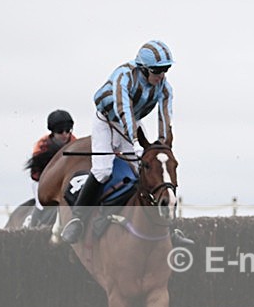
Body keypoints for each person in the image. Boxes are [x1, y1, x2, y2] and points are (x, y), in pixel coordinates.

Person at [61, 40, 175, 244]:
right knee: (103, 171)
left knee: (149, 168)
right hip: (106, 121)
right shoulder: (124, 76)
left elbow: (165, 117)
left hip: (133, 121)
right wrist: (135, 142)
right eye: (157, 70)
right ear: (144, 68)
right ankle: (78, 219)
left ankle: (165, 225)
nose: (162, 75)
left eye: (165, 69)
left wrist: (163, 145)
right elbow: (125, 110)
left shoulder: (165, 88)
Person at [26, 110, 76, 227]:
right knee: (41, 204)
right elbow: (36, 173)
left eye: (68, 130)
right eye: (60, 131)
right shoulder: (42, 146)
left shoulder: (74, 143)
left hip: (65, 180)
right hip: (41, 179)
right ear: (52, 132)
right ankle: (33, 226)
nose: (65, 134)